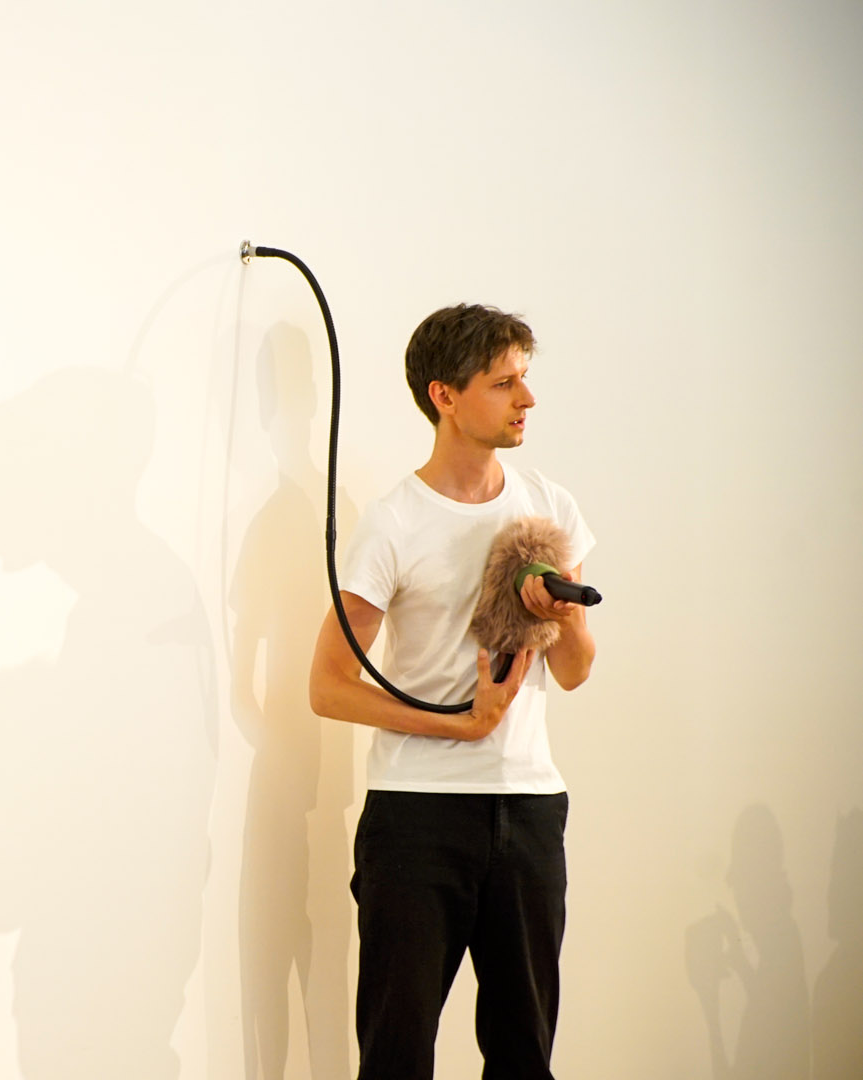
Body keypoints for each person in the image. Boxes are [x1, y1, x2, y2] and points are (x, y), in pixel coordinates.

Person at [308, 304, 597, 1079]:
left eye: (524, 379)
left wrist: (559, 613)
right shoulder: (392, 523)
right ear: (443, 395)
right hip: (416, 818)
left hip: (529, 808)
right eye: (502, 383)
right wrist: (458, 726)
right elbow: (327, 688)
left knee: (523, 1053)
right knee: (396, 1053)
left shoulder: (549, 507)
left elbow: (574, 670)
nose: (525, 399)